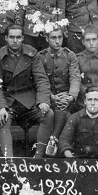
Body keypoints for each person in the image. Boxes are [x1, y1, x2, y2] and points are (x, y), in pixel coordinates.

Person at [0, 24, 53, 158]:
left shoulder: (32, 53)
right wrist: (1, 107)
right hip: (9, 102)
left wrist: (43, 101)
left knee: (48, 114)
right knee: (3, 120)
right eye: (12, 37)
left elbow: (41, 80)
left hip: (29, 101)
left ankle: (38, 157)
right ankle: (9, 161)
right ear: (6, 38)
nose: (15, 41)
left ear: (23, 38)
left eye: (18, 37)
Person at [37, 26, 80, 156]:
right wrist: (51, 97)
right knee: (65, 116)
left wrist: (71, 97)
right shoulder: (40, 57)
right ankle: (56, 145)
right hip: (48, 97)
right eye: (53, 38)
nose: (57, 41)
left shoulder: (69, 55)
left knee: (63, 110)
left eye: (60, 37)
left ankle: (53, 140)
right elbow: (39, 80)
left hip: (66, 98)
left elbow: (75, 78)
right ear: (46, 39)